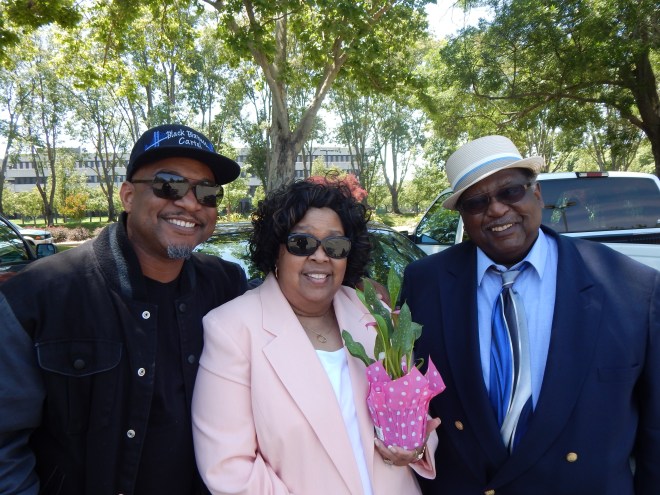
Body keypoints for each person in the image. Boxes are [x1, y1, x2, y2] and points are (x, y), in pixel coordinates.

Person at [401, 135, 660, 495]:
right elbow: (411, 394)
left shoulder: (633, 287)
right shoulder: (424, 282)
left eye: (510, 192)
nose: (496, 210)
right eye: (476, 202)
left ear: (536, 194)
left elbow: (655, 429)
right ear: (463, 216)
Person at [0, 124, 248, 495]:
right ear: (128, 196)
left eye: (207, 192)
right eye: (169, 185)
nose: (191, 203)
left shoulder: (227, 286)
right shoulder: (37, 296)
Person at [192, 179, 439, 495]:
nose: (321, 256)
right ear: (276, 250)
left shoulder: (372, 313)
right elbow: (230, 470)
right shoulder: (231, 329)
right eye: (302, 243)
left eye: (335, 246)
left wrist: (417, 447)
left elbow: (415, 410)